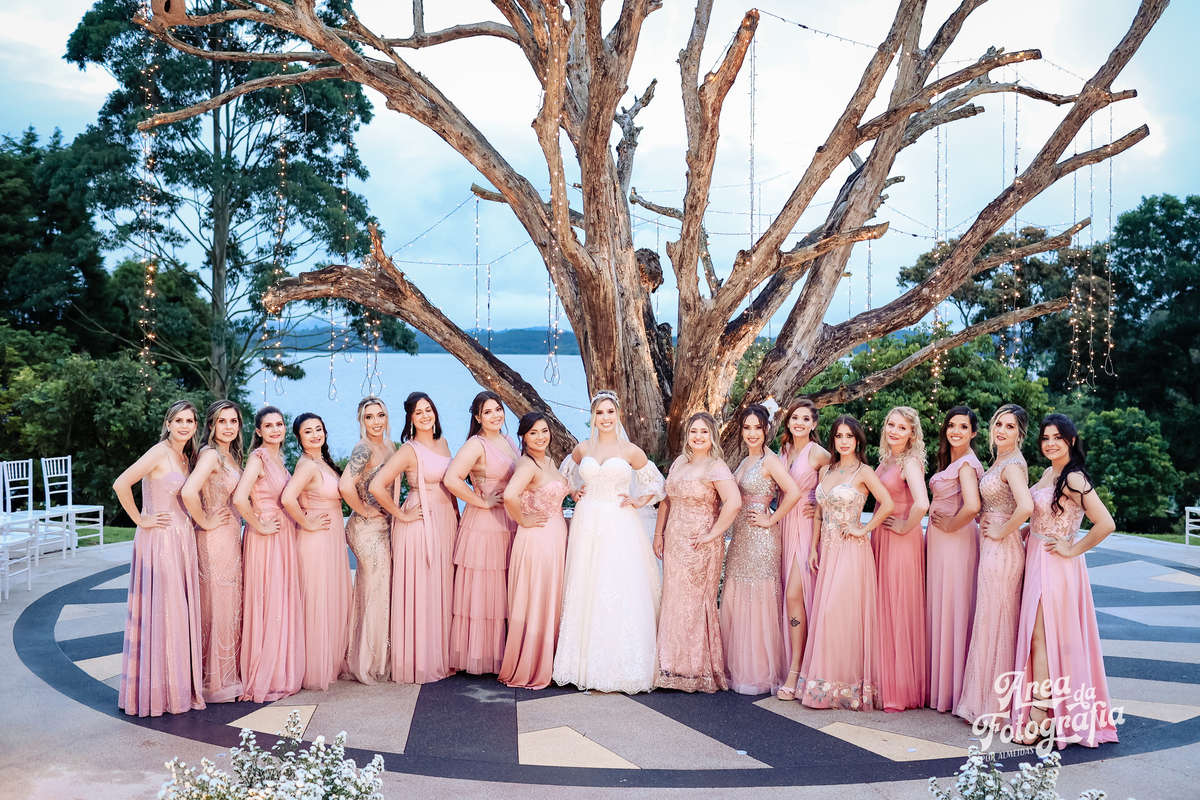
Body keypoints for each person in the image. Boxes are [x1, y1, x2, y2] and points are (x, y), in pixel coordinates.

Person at [1012, 414, 1118, 750]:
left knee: (1041, 638)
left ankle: (1041, 714)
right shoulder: (1049, 473)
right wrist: (1024, 532)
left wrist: (1072, 549)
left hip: (1055, 564)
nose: (1050, 443)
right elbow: (1041, 515)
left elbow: (1106, 523)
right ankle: (1049, 710)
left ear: (1071, 440)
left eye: (1057, 437)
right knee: (1040, 638)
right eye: (1045, 438)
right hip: (1037, 556)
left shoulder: (1073, 477)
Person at [553, 390, 665, 694]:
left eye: (610, 412)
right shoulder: (583, 448)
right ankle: (582, 664)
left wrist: (640, 500)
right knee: (586, 584)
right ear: (593, 417)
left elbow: (657, 482)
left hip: (619, 522)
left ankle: (621, 665)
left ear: (618, 415)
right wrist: (573, 492)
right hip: (587, 521)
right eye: (600, 413)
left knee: (616, 584)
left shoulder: (630, 450)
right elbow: (565, 475)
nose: (605, 418)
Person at [112, 399, 206, 717]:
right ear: (168, 423)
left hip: (182, 540)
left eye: (189, 421)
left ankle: (175, 685)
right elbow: (121, 483)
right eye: (178, 420)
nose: (184, 426)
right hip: (160, 539)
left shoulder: (186, 457)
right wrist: (141, 519)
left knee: (177, 611)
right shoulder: (158, 451)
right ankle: (158, 693)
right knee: (164, 610)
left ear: (195, 426)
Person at [799, 415, 893, 711]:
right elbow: (818, 511)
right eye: (839, 436)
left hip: (852, 551)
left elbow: (887, 503)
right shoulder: (826, 469)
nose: (843, 441)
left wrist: (863, 529)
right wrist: (813, 548)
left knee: (836, 614)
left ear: (857, 440)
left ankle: (846, 688)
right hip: (827, 551)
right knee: (826, 615)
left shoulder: (864, 472)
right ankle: (826, 686)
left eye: (849, 436)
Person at [371, 392, 458, 684]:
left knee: (442, 588)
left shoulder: (443, 443)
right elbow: (377, 485)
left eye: (428, 409)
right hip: (420, 523)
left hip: (445, 520)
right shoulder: (409, 450)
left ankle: (440, 655)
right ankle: (419, 661)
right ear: (410, 418)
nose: (425, 415)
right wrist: (402, 515)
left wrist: (457, 516)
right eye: (418, 412)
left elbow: (451, 485)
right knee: (422, 589)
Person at [955, 404, 1034, 725]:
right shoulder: (1000, 461)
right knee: (990, 619)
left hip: (1002, 551)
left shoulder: (1013, 464)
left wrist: (1002, 530)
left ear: (1020, 434)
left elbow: (1025, 506)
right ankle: (985, 699)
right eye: (999, 424)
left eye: (1010, 426)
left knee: (996, 621)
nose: (1002, 430)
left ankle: (994, 706)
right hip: (993, 547)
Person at [653, 412, 741, 693]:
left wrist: (713, 534)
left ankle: (695, 670)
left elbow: (734, 502)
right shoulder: (680, 462)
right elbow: (667, 500)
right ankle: (670, 665)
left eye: (704, 432)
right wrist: (658, 534)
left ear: (712, 435)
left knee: (694, 603)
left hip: (700, 544)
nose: (698, 436)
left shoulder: (716, 467)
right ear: (687, 435)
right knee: (674, 600)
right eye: (693, 431)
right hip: (674, 542)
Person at [721, 404, 802, 695]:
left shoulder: (770, 461)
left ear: (767, 429)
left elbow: (794, 492)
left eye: (757, 427)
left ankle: (757, 672)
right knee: (736, 595)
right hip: (741, 538)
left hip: (761, 539)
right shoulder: (745, 460)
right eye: (747, 428)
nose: (752, 433)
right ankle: (737, 667)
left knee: (756, 598)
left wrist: (771, 518)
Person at [443, 391, 519, 675]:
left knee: (505, 586)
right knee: (486, 589)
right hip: (485, 524)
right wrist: (482, 501)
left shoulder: (509, 439)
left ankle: (504, 649)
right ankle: (482, 654)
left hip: (509, 521)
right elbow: (451, 479)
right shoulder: (476, 444)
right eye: (487, 412)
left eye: (498, 409)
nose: (495, 415)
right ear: (477, 417)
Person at [233, 406, 303, 702]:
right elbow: (240, 498)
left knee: (280, 599)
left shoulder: (279, 459)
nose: (276, 430)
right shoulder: (258, 458)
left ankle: (278, 670)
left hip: (283, 535)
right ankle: (264, 674)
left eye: (280, 424)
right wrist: (259, 525)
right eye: (269, 425)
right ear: (259, 431)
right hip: (266, 537)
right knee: (268, 599)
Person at [498, 413, 569, 690]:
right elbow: (509, 496)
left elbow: (552, 490)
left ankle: (548, 658)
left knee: (550, 597)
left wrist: (573, 492)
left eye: (544, 431)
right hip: (538, 539)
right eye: (533, 433)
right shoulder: (527, 464)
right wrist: (523, 520)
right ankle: (531, 664)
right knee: (538, 597)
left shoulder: (547, 461)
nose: (541, 437)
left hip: (555, 538)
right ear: (523, 437)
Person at [282, 412, 352, 691]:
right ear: (298, 437)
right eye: (308, 431)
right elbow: (288, 498)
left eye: (318, 429)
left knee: (329, 598)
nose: (315, 435)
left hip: (331, 539)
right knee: (316, 602)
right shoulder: (307, 466)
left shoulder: (321, 461)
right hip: (316, 540)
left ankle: (330, 661)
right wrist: (307, 522)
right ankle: (314, 668)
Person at [180, 399, 245, 703]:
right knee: (217, 607)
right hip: (214, 539)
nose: (228, 426)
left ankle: (226, 673)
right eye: (222, 421)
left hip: (231, 538)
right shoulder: (210, 455)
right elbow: (188, 491)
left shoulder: (230, 455)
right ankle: (215, 681)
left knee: (228, 606)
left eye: (233, 421)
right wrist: (204, 521)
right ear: (211, 425)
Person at [873, 406, 931, 712]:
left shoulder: (910, 462)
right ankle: (883, 681)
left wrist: (905, 526)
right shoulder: (887, 460)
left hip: (900, 539)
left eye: (902, 428)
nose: (894, 431)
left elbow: (922, 503)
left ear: (912, 434)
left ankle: (899, 689)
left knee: (897, 607)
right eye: (891, 425)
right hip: (882, 537)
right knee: (883, 605)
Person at [926, 406, 984, 713]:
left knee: (953, 606)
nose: (956, 431)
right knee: (943, 605)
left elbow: (973, 506)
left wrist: (949, 525)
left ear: (973, 433)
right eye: (951, 425)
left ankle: (952, 690)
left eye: (963, 427)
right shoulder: (953, 461)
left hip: (955, 541)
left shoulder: (966, 464)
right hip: (942, 542)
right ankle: (942, 686)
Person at [339, 396, 396, 684]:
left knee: (376, 590)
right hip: (365, 529)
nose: (376, 422)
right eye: (369, 416)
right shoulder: (363, 448)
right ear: (361, 420)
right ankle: (368, 663)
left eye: (380, 415)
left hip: (383, 526)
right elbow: (344, 486)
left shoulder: (390, 446)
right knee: (376, 591)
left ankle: (374, 655)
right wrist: (365, 510)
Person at [776, 399, 831, 700]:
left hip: (806, 529)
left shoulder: (819, 454)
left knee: (795, 596)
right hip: (782, 527)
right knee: (786, 597)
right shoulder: (783, 451)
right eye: (795, 417)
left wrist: (817, 506)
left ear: (814, 424)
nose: (799, 422)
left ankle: (796, 670)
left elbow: (832, 490)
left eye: (805, 418)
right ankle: (789, 662)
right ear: (788, 422)